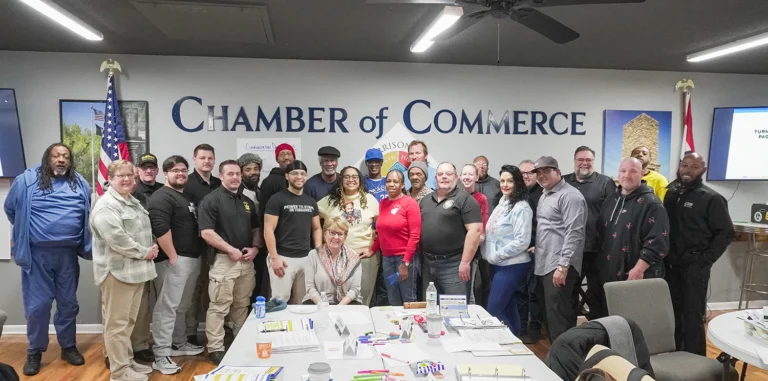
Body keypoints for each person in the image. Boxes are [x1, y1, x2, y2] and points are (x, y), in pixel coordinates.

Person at [4, 143, 91, 376]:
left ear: (70, 161)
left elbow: (87, 213)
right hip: (37, 256)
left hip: (68, 255)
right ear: (47, 158)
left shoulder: (80, 183)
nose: (61, 159)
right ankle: (35, 350)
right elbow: (11, 209)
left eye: (65, 156)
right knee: (38, 306)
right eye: (56, 155)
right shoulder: (26, 181)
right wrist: (28, 231)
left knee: (68, 304)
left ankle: (68, 346)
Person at [90, 159, 158, 381]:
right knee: (116, 325)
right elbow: (118, 239)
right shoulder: (106, 205)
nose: (127, 179)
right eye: (121, 176)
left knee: (128, 322)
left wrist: (149, 248)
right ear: (110, 180)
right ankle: (119, 372)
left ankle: (127, 362)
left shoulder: (131, 201)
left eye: (130, 175)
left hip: (135, 272)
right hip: (117, 273)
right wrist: (145, 252)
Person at [664, 153, 734, 356]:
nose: (688, 170)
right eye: (685, 165)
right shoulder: (671, 192)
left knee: (693, 317)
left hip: (694, 267)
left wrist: (704, 262)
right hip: (670, 266)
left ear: (703, 170)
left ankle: (696, 363)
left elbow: (726, 233)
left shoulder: (712, 198)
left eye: (694, 167)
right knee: (672, 314)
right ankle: (675, 357)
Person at [197, 160, 260, 365]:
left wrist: (255, 248)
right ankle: (215, 348)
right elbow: (206, 232)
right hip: (224, 261)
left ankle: (240, 341)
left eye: (237, 174)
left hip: (246, 260)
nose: (234, 177)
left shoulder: (246, 201)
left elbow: (256, 229)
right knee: (219, 306)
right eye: (230, 174)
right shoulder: (211, 200)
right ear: (221, 176)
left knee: (242, 304)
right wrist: (229, 249)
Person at [147, 156, 204, 374]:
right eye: (175, 170)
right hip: (174, 260)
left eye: (183, 170)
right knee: (166, 308)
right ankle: (161, 355)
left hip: (191, 259)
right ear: (166, 173)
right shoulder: (162, 197)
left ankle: (178, 342)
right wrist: (172, 256)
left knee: (182, 305)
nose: (180, 173)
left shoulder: (185, 196)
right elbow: (160, 228)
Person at [532, 156, 587, 343]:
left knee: (559, 319)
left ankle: (566, 365)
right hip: (545, 263)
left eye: (546, 171)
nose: (541, 176)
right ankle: (558, 360)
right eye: (538, 172)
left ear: (558, 171)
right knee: (551, 317)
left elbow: (574, 233)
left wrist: (563, 266)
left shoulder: (570, 196)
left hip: (559, 266)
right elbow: (551, 228)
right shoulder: (546, 194)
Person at [596, 157, 670, 285]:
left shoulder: (652, 204)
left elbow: (658, 242)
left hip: (638, 275)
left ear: (642, 174)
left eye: (633, 171)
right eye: (623, 171)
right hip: (610, 274)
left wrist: (638, 269)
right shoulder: (611, 200)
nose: (627, 175)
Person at [563, 146, 616, 320]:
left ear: (593, 161)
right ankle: (568, 334)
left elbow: (612, 215)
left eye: (588, 160)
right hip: (570, 250)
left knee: (596, 294)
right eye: (580, 160)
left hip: (596, 249)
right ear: (574, 161)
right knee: (568, 292)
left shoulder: (605, 183)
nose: (584, 163)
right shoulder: (563, 182)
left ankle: (597, 333)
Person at [419, 162, 483, 300]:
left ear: (456, 177)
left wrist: (465, 263)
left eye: (448, 174)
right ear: (435, 178)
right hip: (428, 264)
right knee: (430, 309)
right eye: (440, 174)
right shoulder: (425, 200)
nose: (444, 177)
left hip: (453, 265)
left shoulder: (466, 200)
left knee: (455, 311)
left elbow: (475, 231)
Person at [483, 165, 533, 336]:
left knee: (494, 309)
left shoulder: (521, 207)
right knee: (509, 307)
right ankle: (517, 341)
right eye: (503, 181)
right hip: (499, 264)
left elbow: (522, 241)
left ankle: (510, 344)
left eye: (510, 181)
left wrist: (495, 256)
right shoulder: (502, 203)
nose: (505, 184)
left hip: (512, 265)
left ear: (518, 183)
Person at [319, 166, 380, 305]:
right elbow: (311, 213)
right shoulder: (330, 200)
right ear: (341, 179)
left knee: (362, 298)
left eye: (354, 177)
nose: (350, 180)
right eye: (346, 176)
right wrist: (320, 241)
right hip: (335, 258)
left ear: (360, 180)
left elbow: (384, 225)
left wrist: (373, 247)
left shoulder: (370, 200)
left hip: (363, 257)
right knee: (336, 299)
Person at [264, 160, 323, 304]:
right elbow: (268, 229)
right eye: (294, 173)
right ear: (286, 176)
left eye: (302, 174)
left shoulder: (311, 202)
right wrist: (274, 258)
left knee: (302, 302)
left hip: (306, 259)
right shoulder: (277, 199)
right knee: (279, 301)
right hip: (283, 259)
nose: (299, 177)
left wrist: (318, 254)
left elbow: (316, 228)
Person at [184, 143, 221, 346]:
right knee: (193, 292)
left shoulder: (219, 183)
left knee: (214, 291)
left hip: (217, 248)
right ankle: (190, 332)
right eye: (202, 158)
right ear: (194, 159)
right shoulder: (187, 183)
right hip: (194, 246)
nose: (206, 161)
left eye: (210, 158)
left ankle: (215, 333)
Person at [130, 152, 163, 364]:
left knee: (162, 301)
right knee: (139, 305)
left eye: (152, 167)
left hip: (162, 254)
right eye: (144, 167)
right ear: (138, 170)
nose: (148, 171)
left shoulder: (164, 190)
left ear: (157, 170)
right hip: (138, 255)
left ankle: (159, 342)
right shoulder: (131, 191)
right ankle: (139, 345)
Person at [370, 170, 421, 306]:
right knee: (393, 298)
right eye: (388, 181)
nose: (391, 184)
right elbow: (382, 231)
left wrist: (405, 263)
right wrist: (372, 250)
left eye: (395, 181)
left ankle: (412, 326)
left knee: (408, 299)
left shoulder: (409, 203)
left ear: (403, 185)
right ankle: (398, 327)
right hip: (387, 260)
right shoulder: (383, 203)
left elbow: (415, 236)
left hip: (404, 259)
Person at [303, 217, 363, 305]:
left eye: (340, 234)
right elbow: (310, 288)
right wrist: (322, 304)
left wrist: (339, 307)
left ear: (345, 236)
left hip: (347, 302)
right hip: (319, 302)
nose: (336, 237)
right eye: (332, 233)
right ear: (325, 234)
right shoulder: (313, 255)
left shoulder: (354, 257)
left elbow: (355, 289)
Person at [517, 159, 544, 344]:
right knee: (520, 291)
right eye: (523, 173)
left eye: (530, 172)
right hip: (518, 252)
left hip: (537, 249)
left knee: (534, 292)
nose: (526, 176)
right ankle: (521, 327)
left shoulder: (543, 194)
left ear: (536, 174)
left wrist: (540, 245)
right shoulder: (516, 195)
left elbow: (546, 224)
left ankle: (535, 328)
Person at [237, 153, 269, 300]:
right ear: (241, 172)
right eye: (248, 169)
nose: (253, 172)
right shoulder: (237, 192)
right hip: (244, 247)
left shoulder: (260, 191)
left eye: (256, 168)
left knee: (258, 284)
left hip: (260, 244)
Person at [460, 164, 490, 307]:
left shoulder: (481, 199)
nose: (467, 177)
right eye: (464, 174)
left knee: (468, 289)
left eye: (470, 174)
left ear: (477, 177)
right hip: (453, 253)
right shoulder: (454, 196)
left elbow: (481, 230)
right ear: (459, 177)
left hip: (471, 253)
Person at [259, 143, 295, 226]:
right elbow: (263, 212)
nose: (286, 157)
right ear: (277, 159)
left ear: (294, 157)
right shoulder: (270, 182)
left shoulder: (298, 179)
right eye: (282, 155)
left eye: (289, 154)